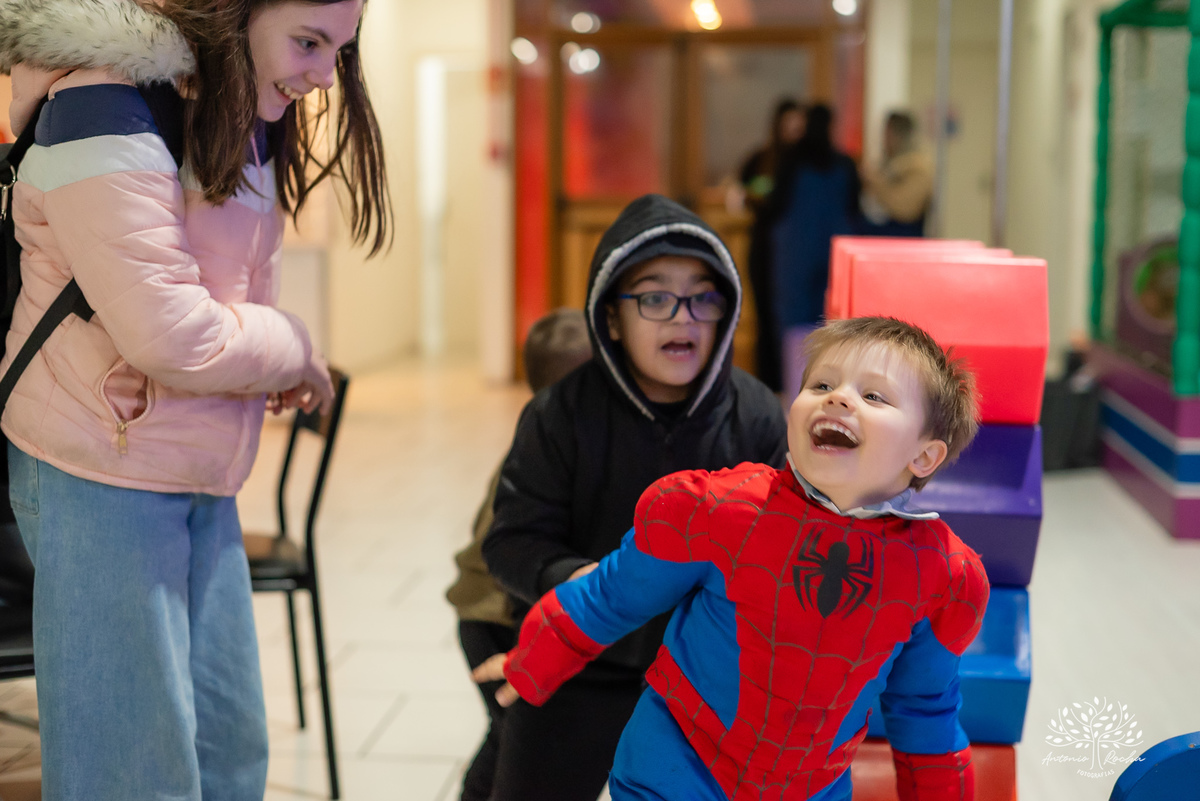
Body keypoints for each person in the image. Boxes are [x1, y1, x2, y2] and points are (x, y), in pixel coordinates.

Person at [0, 0, 389, 798]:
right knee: (131, 771)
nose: (324, 75)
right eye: (308, 42)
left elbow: (218, 291)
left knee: (228, 751)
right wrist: (290, 348)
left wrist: (263, 361)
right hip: (98, 464)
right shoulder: (102, 103)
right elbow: (169, 334)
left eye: (339, 51)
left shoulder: (226, 103)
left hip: (195, 464)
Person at [477, 316, 989, 801]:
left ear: (924, 456)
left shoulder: (939, 574)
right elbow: (610, 594)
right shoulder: (722, 510)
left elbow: (924, 710)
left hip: (810, 786)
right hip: (674, 766)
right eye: (820, 384)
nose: (838, 397)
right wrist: (535, 658)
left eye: (874, 395)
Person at [481, 193, 788, 801]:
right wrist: (583, 580)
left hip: (704, 676)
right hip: (579, 660)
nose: (683, 317)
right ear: (612, 320)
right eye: (654, 297)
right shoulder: (559, 414)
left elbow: (776, 553)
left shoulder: (755, 414)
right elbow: (511, 542)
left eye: (702, 297)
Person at [446, 307, 593, 801]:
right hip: (496, 620)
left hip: (497, 613)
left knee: (512, 733)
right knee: (517, 737)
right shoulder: (540, 461)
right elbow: (508, 553)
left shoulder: (557, 445)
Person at [765, 104, 861, 336]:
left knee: (795, 324)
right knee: (831, 319)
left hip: (795, 255)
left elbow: (775, 207)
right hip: (834, 253)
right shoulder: (845, 165)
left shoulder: (791, 162)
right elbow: (854, 209)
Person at [740, 99, 806, 393]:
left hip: (795, 252)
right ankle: (765, 385)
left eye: (798, 127)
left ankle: (791, 382)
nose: (793, 132)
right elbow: (746, 187)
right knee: (764, 318)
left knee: (792, 321)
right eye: (788, 125)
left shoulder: (806, 165)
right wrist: (758, 195)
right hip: (763, 247)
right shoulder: (763, 159)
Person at [861, 111, 934, 237]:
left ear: (899, 135)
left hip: (905, 238)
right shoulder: (889, 165)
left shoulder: (918, 168)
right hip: (888, 235)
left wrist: (876, 182)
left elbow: (905, 210)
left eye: (888, 134)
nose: (884, 140)